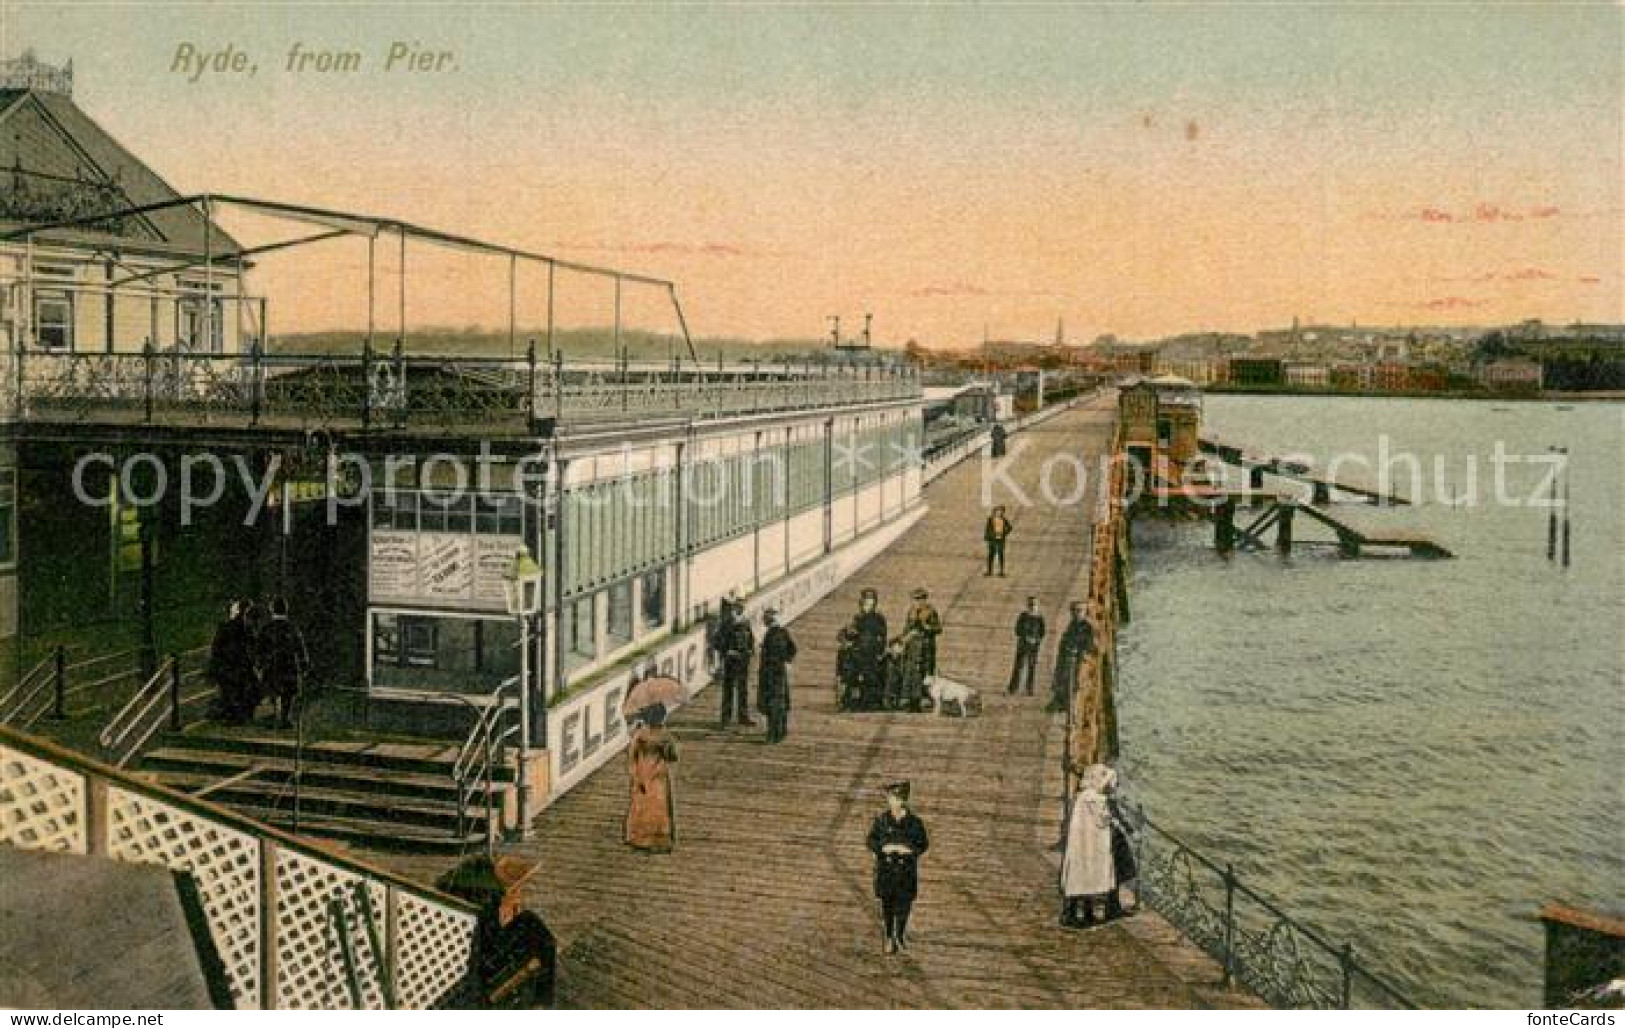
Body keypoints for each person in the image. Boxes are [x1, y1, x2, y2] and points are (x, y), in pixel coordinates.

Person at [1061, 764, 1130, 927]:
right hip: (1092, 843)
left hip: (1080, 842)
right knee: (1089, 875)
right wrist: (1115, 820)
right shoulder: (1097, 799)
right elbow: (1103, 818)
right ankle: (1080, 913)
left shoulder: (1083, 796)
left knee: (1079, 875)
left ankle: (1080, 912)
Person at [867, 781, 929, 954]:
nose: (892, 802)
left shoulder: (915, 823)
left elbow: (923, 844)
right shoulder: (882, 820)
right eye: (890, 798)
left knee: (904, 905)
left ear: (903, 801)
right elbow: (871, 840)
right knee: (887, 905)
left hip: (905, 871)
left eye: (895, 799)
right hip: (886, 869)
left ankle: (899, 935)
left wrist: (908, 850)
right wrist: (882, 848)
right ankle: (888, 937)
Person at [624, 705, 678, 852]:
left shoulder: (640, 734)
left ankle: (638, 837)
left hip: (642, 772)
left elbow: (632, 755)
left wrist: (634, 774)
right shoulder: (665, 735)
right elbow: (673, 756)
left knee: (640, 805)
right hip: (659, 775)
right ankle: (658, 839)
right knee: (659, 807)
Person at [257, 596, 309, 729]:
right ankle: (285, 718)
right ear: (286, 610)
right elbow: (300, 648)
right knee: (288, 694)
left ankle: (275, 716)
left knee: (273, 692)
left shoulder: (266, 628)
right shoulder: (292, 628)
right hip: (288, 666)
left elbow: (259, 649)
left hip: (271, 666)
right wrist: (304, 665)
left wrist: (259, 664)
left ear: (271, 610)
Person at [207, 600, 258, 725]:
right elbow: (253, 646)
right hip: (238, 666)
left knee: (234, 691)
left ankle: (235, 715)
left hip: (230, 666)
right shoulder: (246, 627)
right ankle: (241, 715)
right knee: (244, 689)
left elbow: (216, 648)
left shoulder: (227, 627)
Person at [838, 589, 889, 711]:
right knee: (854, 676)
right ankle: (852, 701)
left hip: (873, 651)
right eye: (866, 604)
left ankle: (871, 702)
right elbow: (850, 632)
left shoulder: (879, 618)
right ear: (862, 604)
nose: (868, 607)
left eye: (871, 604)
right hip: (860, 651)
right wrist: (849, 636)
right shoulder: (858, 618)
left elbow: (883, 636)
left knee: (872, 677)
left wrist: (881, 651)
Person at [1047, 602, 1095, 714]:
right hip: (1066, 656)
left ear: (1084, 613)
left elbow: (1089, 644)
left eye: (1079, 611)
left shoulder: (1087, 627)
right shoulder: (1072, 624)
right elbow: (1064, 642)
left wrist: (1080, 651)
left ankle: (1069, 706)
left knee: (1074, 681)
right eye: (1074, 611)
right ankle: (1059, 701)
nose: (1076, 614)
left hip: (1078, 658)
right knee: (1060, 676)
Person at [757, 608, 797, 743]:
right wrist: (787, 661)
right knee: (780, 703)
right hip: (780, 673)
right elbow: (793, 649)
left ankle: (773, 734)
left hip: (771, 674)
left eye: (765, 619)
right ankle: (781, 731)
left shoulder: (772, 634)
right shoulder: (783, 632)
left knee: (773, 704)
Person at [719, 601, 756, 727]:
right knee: (728, 689)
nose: (739, 609)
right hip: (731, 660)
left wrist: (751, 649)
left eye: (741, 607)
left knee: (743, 689)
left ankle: (743, 716)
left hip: (743, 660)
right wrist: (727, 651)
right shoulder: (726, 624)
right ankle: (726, 719)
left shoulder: (746, 622)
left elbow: (751, 638)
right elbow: (717, 641)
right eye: (737, 607)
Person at [1008, 596, 1046, 696]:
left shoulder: (1040, 618)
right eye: (1030, 604)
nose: (1032, 606)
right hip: (1023, 645)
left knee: (1032, 667)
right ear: (1027, 605)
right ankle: (1013, 688)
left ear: (1037, 605)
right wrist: (1025, 637)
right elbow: (1017, 630)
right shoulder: (1023, 616)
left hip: (1034, 646)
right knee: (1018, 666)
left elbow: (1042, 632)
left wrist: (1036, 639)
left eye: (1034, 604)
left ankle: (1029, 689)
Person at [903, 588, 942, 678]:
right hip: (913, 647)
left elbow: (938, 628)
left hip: (926, 647)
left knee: (926, 673)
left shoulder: (931, 611)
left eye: (920, 599)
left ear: (924, 600)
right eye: (915, 600)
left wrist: (927, 627)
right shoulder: (911, 611)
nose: (917, 602)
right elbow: (906, 628)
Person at [983, 505, 1014, 576]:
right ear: (995, 512)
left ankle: (1001, 571)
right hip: (992, 540)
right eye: (998, 512)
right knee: (991, 555)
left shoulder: (1004, 519)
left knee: (1000, 555)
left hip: (1000, 540)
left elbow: (1010, 527)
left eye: (1001, 512)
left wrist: (1004, 534)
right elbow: (987, 529)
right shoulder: (990, 519)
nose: (999, 513)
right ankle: (989, 571)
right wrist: (987, 537)